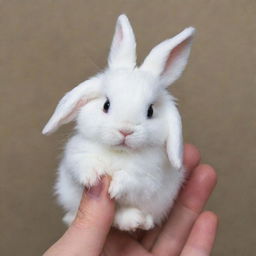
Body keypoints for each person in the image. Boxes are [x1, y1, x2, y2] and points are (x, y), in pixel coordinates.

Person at [43, 144, 218, 256]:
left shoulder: (155, 153)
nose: (125, 130)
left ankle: (121, 216)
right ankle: (86, 216)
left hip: (143, 208)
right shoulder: (84, 145)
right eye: (107, 106)